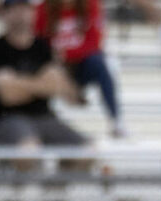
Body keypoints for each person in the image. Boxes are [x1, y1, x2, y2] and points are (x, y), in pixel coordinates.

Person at [0, 0, 92, 201]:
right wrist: (40, 85)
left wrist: (19, 83)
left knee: (88, 152)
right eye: (15, 8)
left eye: (26, 8)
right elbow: (7, 96)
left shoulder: (44, 46)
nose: (21, 14)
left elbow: (57, 86)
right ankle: (14, 196)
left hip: (44, 117)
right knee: (28, 150)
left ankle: (55, 193)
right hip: (8, 118)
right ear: (5, 13)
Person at [35, 0, 126, 137]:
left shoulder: (91, 4)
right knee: (42, 65)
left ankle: (116, 120)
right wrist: (56, 57)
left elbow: (95, 43)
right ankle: (41, 115)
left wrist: (65, 54)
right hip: (55, 68)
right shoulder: (44, 8)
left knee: (99, 62)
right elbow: (38, 42)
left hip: (81, 66)